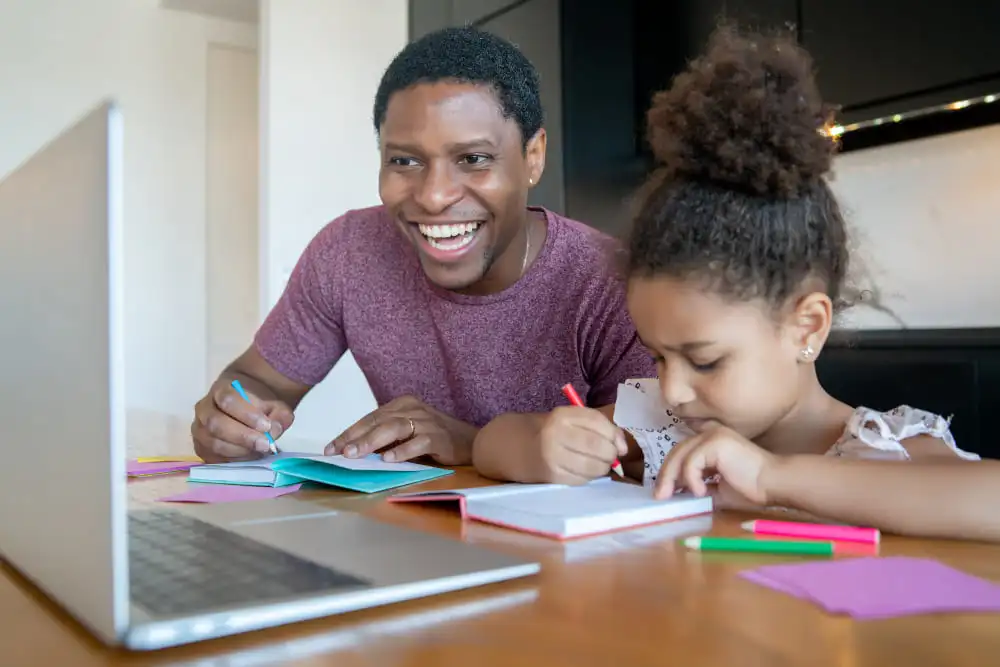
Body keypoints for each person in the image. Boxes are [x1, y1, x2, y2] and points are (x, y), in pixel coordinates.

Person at [191, 26, 654, 484]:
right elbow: (256, 382)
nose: (433, 197)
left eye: (473, 159)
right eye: (405, 161)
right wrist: (234, 417)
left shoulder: (610, 280)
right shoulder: (348, 252)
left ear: (533, 156)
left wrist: (471, 445)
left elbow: (656, 448)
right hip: (410, 545)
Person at [620, 24, 1000, 541]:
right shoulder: (667, 428)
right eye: (658, 357)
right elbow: (499, 443)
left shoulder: (884, 449)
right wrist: (551, 441)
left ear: (806, 327)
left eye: (705, 360)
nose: (674, 389)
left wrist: (769, 476)